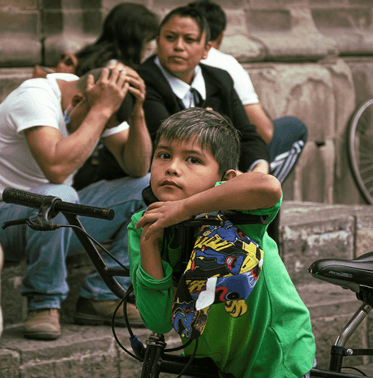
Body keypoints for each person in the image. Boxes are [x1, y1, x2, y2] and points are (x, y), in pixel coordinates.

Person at [128, 107, 316, 378]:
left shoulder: (239, 211)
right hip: (208, 360)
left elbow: (269, 187)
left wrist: (184, 208)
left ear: (224, 179)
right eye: (164, 155)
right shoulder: (143, 223)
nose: (172, 167)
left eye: (193, 160)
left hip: (274, 359)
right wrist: (148, 242)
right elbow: (158, 320)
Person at [0, 67, 152, 340]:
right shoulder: (36, 96)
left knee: (152, 187)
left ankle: (101, 295)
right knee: (61, 197)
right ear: (78, 101)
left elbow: (137, 167)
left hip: (57, 221)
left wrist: (137, 112)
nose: (100, 128)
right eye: (99, 119)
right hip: (4, 221)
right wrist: (100, 112)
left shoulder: (97, 99)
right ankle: (43, 303)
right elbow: (55, 168)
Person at [94, 5, 270, 183]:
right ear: (157, 42)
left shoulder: (220, 79)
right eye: (170, 38)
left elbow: (247, 135)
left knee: (264, 189)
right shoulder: (143, 81)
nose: (178, 46)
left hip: (208, 176)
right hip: (142, 182)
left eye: (189, 39)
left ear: (206, 49)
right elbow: (169, 145)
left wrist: (259, 168)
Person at [189, 0, 307, 184]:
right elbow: (264, 132)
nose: (180, 48)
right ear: (220, 37)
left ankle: (259, 191)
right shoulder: (225, 64)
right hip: (213, 158)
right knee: (294, 127)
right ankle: (262, 194)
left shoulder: (215, 71)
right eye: (171, 38)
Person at [72, 2, 159, 190]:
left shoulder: (91, 57)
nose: (152, 46)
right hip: (95, 166)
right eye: (149, 39)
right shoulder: (116, 74)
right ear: (137, 38)